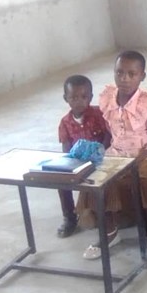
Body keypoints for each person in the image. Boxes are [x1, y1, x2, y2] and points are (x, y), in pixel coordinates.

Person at [79, 51, 147, 260]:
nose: (124, 78)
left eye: (131, 74)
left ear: (141, 76)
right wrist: (100, 154)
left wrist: (138, 159)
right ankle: (110, 231)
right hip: (117, 152)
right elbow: (111, 131)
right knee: (95, 176)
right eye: (119, 72)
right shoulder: (108, 97)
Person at [57, 75, 110, 238]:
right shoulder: (65, 122)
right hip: (78, 162)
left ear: (91, 97)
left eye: (84, 97)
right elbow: (66, 148)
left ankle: (105, 214)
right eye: (73, 97)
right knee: (61, 180)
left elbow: (108, 135)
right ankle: (69, 217)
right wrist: (70, 164)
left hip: (101, 159)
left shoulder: (99, 115)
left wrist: (102, 151)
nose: (79, 101)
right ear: (66, 98)